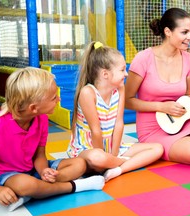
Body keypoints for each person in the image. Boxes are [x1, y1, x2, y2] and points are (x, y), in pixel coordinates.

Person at [0, 67, 105, 211]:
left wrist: (44, 171)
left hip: (32, 170)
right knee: (25, 185)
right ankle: (74, 186)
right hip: (5, 175)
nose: (59, 99)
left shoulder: (41, 118)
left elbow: (40, 154)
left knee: (80, 163)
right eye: (54, 97)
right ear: (33, 108)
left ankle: (36, 192)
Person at [123, 8, 190, 164]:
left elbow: (186, 97)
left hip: (184, 120)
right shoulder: (143, 59)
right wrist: (162, 107)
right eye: (185, 32)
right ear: (168, 32)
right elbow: (127, 100)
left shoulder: (189, 60)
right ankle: (188, 144)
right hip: (153, 127)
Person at [67, 41, 163, 182]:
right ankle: (122, 163)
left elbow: (119, 123)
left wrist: (113, 154)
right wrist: (106, 158)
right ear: (105, 74)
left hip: (112, 147)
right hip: (90, 147)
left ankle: (118, 169)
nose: (126, 74)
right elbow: (96, 131)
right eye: (122, 70)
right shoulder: (88, 93)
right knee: (98, 158)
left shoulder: (119, 89)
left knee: (158, 149)